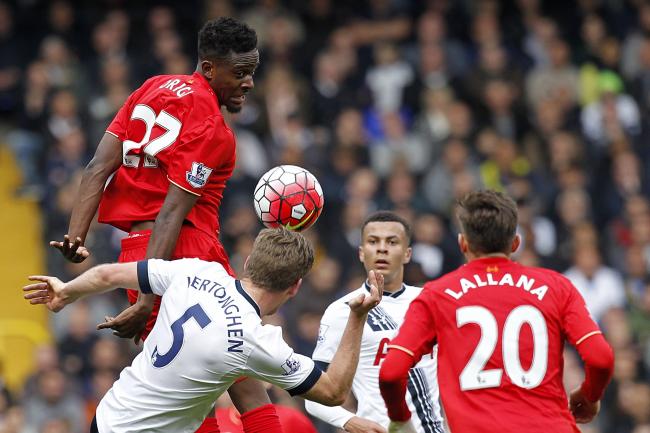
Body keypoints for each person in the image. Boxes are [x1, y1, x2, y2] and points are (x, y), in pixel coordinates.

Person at [48, 17, 273, 432]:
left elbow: (98, 167)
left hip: (137, 253)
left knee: (187, 390)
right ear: (209, 68)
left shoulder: (151, 88)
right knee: (240, 383)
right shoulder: (213, 129)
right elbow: (173, 210)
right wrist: (151, 298)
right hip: (182, 254)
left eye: (252, 72)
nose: (249, 83)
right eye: (240, 73)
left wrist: (76, 236)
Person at [25, 228, 384, 433]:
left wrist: (65, 291)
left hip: (109, 417)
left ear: (246, 263)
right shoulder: (255, 340)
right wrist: (358, 316)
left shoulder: (197, 271)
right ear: (294, 287)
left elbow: (106, 275)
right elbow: (334, 391)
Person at [379, 190, 615, 433]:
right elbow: (601, 357)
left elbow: (391, 372)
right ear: (515, 243)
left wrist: (400, 420)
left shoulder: (437, 295)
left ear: (463, 243)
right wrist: (589, 396)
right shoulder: (556, 286)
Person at [305, 211, 443, 433]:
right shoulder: (343, 310)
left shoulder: (432, 302)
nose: (382, 248)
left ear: (407, 253)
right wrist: (351, 421)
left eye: (392, 242)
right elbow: (313, 395)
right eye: (373, 241)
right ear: (361, 252)